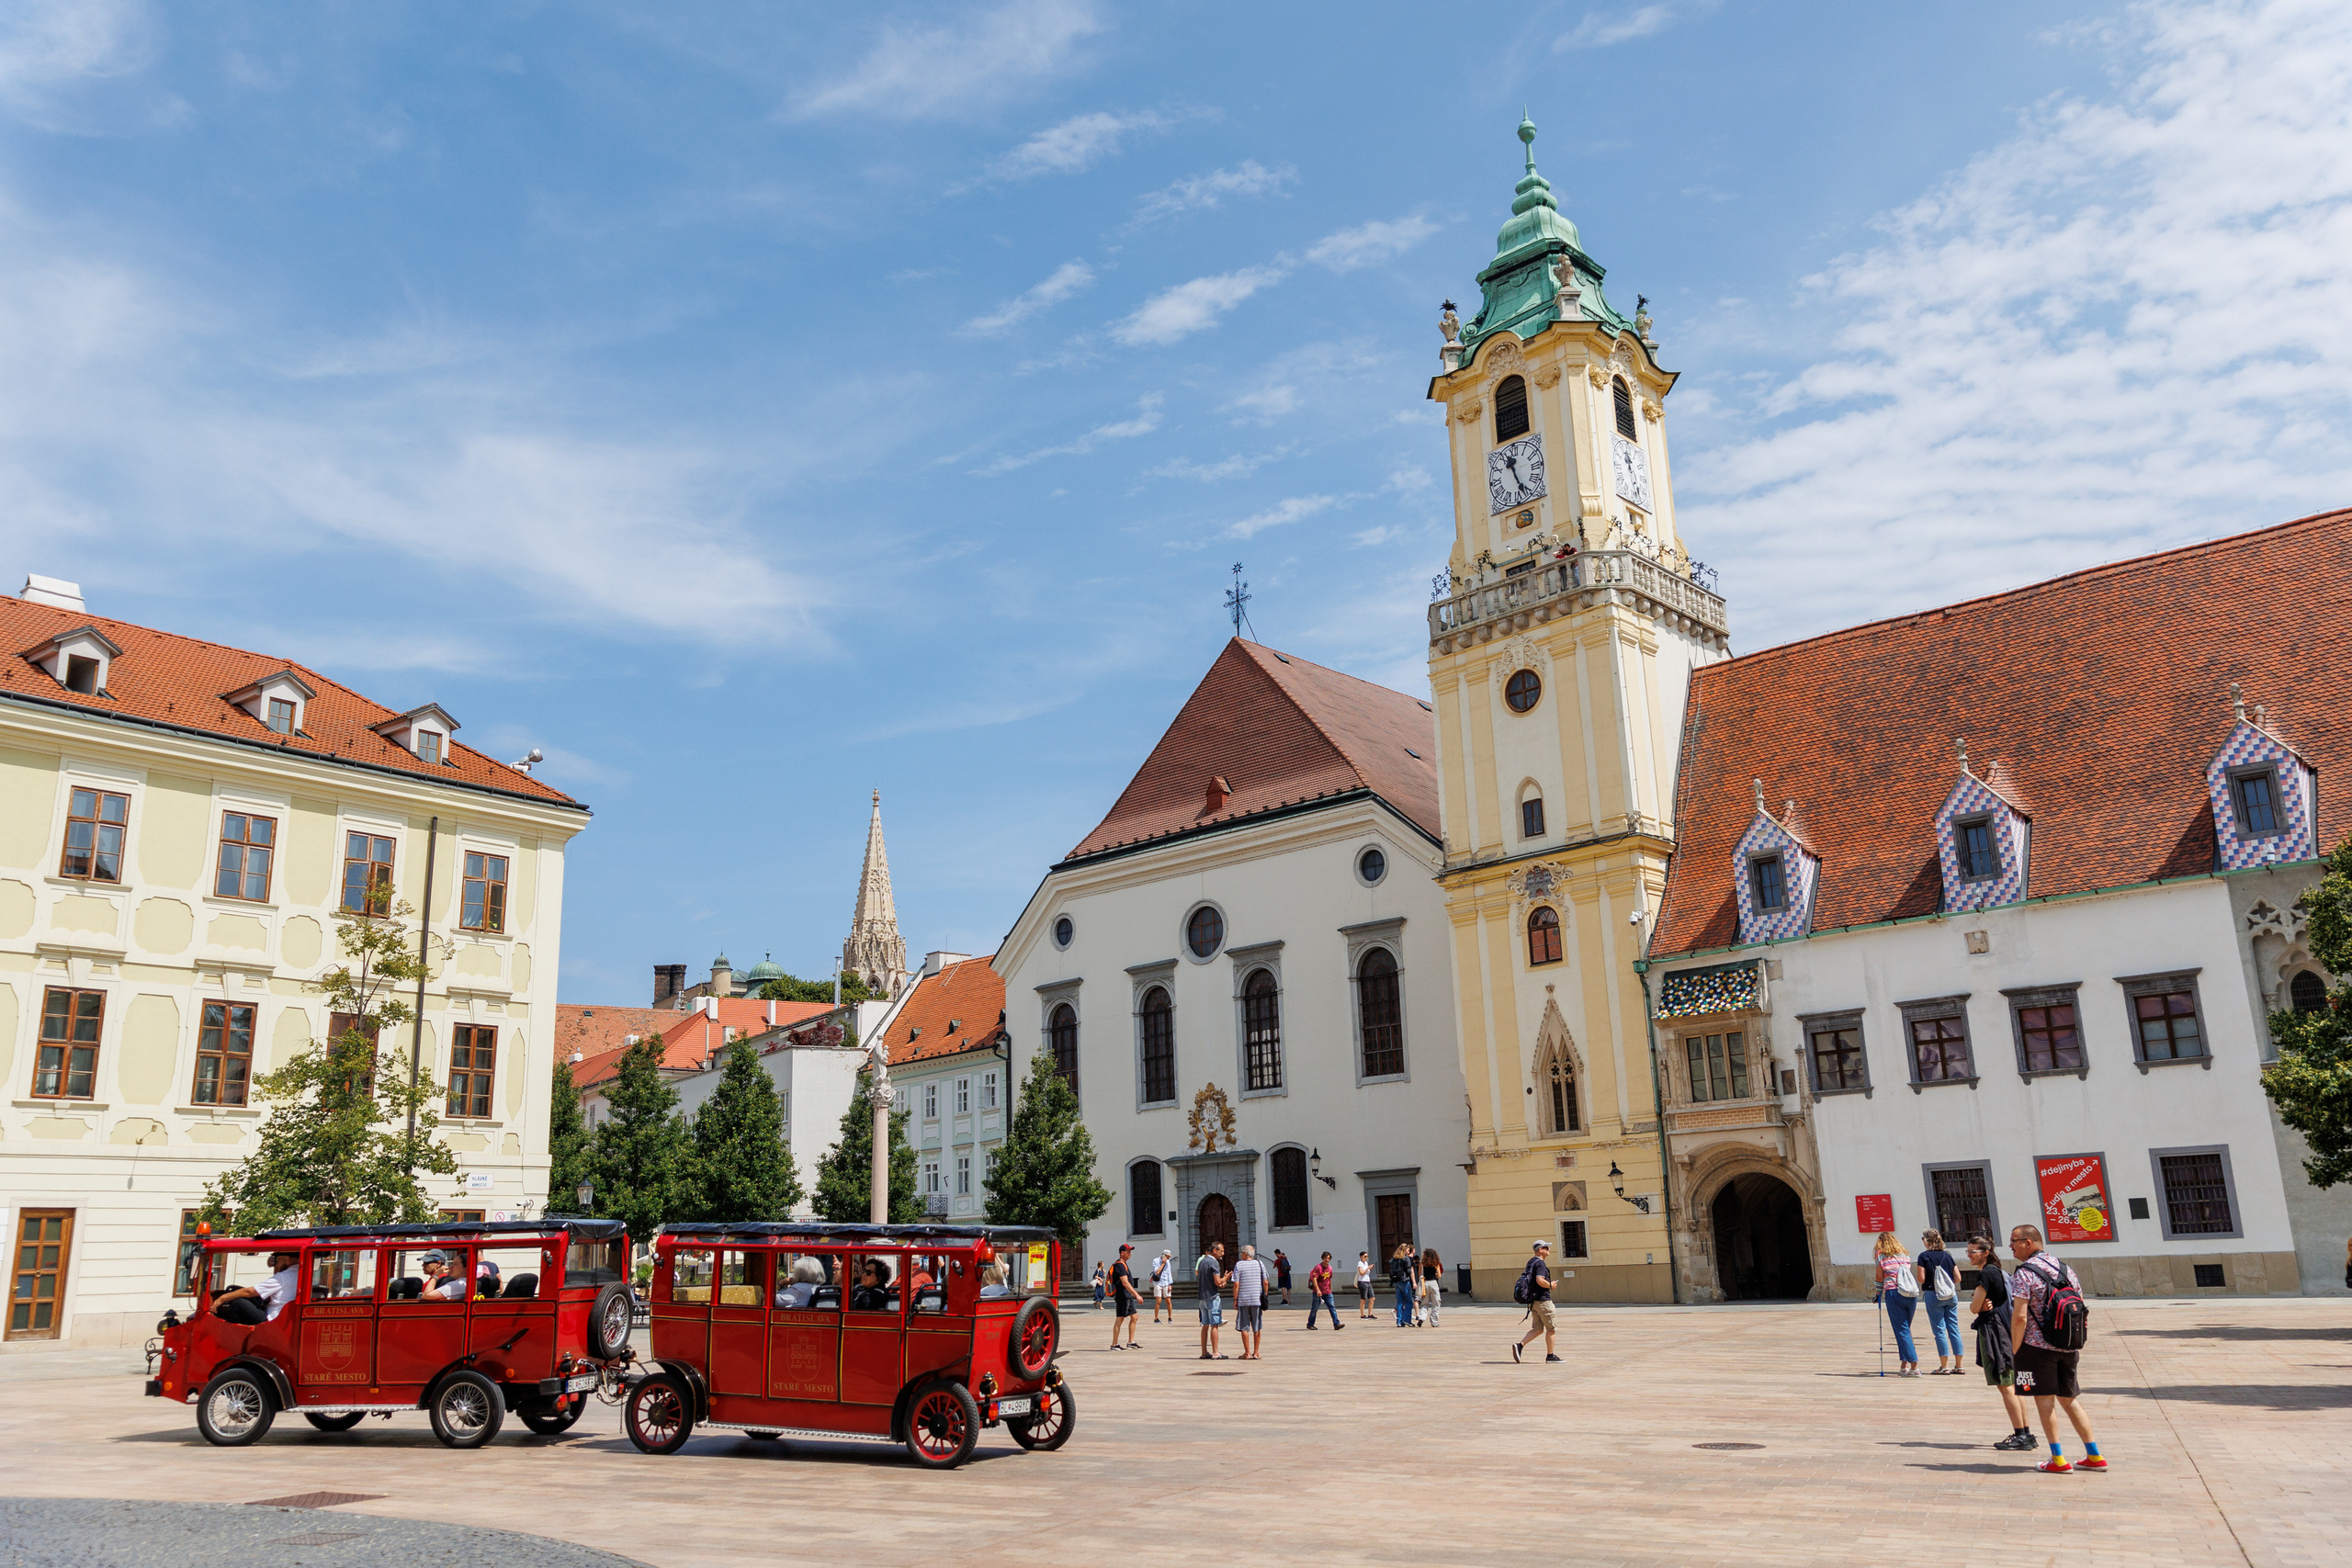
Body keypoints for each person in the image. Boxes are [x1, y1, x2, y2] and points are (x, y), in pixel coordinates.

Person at [2008, 1224, 2105, 1473]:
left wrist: (2014, 1349)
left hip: (2036, 1348)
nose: (2010, 1246)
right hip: (2068, 1345)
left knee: (2044, 1402)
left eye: (2014, 1241)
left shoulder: (2024, 1273)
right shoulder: (2065, 1269)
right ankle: (2094, 1455)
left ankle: (2058, 1460)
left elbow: (2020, 1317)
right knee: (2069, 1399)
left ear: (2028, 1243)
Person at [1964, 1234, 2032, 1450]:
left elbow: (1974, 1307)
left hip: (1994, 1331)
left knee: (2005, 1385)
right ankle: (2026, 1434)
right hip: (2005, 1328)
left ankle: (2020, 1435)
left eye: (1973, 1252)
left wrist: (1977, 1305)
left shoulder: (1986, 1274)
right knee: (2012, 1384)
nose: (1969, 1255)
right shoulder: (1997, 1271)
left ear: (1985, 1253)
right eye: (1968, 1251)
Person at [1917, 1229, 1963, 1373]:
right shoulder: (1947, 1255)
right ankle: (1959, 1365)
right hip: (1950, 1295)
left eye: (1923, 1238)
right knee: (1954, 1328)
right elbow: (1958, 1278)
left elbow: (1921, 1279)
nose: (1922, 1241)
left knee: (1939, 1330)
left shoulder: (1923, 1256)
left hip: (1933, 1295)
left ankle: (1944, 1366)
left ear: (1927, 1240)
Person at [209, 1250, 299, 1325]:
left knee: (238, 1303)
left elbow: (249, 1292)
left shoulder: (284, 1276)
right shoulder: (299, 1273)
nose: (275, 1264)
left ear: (287, 1260)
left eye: (277, 1260)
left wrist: (222, 1298)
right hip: (285, 1320)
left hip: (272, 1321)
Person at [1873, 1231, 1920, 1376]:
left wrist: (1878, 1293)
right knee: (1905, 1329)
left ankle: (1915, 1367)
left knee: (1901, 1330)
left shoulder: (1881, 1257)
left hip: (1893, 1294)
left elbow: (1879, 1278)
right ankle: (1904, 1365)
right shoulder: (1905, 1255)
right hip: (1910, 1294)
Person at [1511, 1239, 1560, 1362]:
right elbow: (1540, 1280)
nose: (1549, 1250)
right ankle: (1550, 1356)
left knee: (1538, 1329)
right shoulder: (1540, 1264)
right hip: (1543, 1301)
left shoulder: (1531, 1262)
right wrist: (1551, 1285)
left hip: (1533, 1302)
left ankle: (1519, 1346)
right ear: (1540, 1250)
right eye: (1546, 1248)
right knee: (1551, 1329)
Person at [1231, 1244, 1271, 1359]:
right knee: (1257, 1326)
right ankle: (1256, 1353)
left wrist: (1235, 1299)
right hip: (1257, 1299)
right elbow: (1266, 1282)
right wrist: (1265, 1295)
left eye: (1241, 1252)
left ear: (1245, 1253)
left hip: (1243, 1300)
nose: (1240, 1254)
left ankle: (1247, 1353)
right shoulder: (1260, 1264)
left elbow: (1236, 1284)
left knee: (1244, 1327)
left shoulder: (1239, 1265)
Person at [1196, 1241, 1231, 1359]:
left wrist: (1220, 1283)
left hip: (1202, 1297)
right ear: (1215, 1250)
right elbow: (1217, 1281)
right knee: (1214, 1325)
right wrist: (1225, 1278)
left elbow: (1209, 1280)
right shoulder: (1214, 1262)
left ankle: (1204, 1352)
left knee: (1205, 1325)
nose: (1223, 1254)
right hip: (1212, 1297)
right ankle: (1216, 1352)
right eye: (1221, 1251)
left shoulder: (1202, 1261)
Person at [1109, 1243, 1143, 1348]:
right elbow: (1125, 1282)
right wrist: (1137, 1295)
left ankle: (1131, 1342)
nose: (1130, 1253)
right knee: (1120, 1318)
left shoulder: (1124, 1264)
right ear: (1122, 1253)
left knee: (1134, 1317)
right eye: (1128, 1251)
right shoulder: (1119, 1265)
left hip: (1127, 1296)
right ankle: (1114, 1344)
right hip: (1122, 1296)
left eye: (1130, 1252)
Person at [1305, 1252, 1343, 1330]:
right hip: (1318, 1292)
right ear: (1322, 1258)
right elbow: (1314, 1279)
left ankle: (1336, 1324)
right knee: (1315, 1309)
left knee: (1332, 1307)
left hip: (1327, 1292)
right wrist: (1318, 1290)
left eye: (1328, 1258)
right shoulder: (1318, 1267)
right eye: (1325, 1258)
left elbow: (1329, 1279)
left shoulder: (1330, 1268)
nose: (1327, 1260)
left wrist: (1330, 1290)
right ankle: (1310, 1324)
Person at [1389, 1242, 1417, 1327]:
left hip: (1396, 1281)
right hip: (1404, 1281)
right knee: (1409, 1301)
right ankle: (1406, 1320)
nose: (1408, 1252)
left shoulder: (1394, 1259)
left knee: (1400, 1301)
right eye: (1407, 1250)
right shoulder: (1406, 1259)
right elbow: (1409, 1271)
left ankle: (1399, 1321)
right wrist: (1414, 1282)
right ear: (1404, 1250)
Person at [1419, 1248, 1443, 1328]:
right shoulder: (1436, 1264)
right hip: (1433, 1283)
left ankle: (1422, 1317)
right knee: (1436, 1303)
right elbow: (1439, 1276)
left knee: (1424, 1303)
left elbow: (1419, 1274)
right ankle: (1434, 1322)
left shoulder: (1422, 1264)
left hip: (1425, 1284)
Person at [1151, 1249, 1175, 1322]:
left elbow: (1169, 1273)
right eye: (1167, 1256)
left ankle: (1170, 1317)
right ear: (1163, 1255)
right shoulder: (1155, 1261)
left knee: (1168, 1300)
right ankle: (1156, 1318)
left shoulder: (1168, 1262)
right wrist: (1163, 1264)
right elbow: (1157, 1272)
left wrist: (1170, 1284)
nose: (1168, 1258)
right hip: (1158, 1282)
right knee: (1158, 1300)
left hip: (1166, 1282)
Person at [1355, 1253, 1376, 1318]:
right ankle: (1362, 1315)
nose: (1366, 1257)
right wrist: (1367, 1268)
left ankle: (1370, 1314)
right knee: (1363, 1299)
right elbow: (1361, 1273)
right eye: (1365, 1256)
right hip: (1362, 1282)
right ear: (1361, 1257)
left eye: (1367, 1256)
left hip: (1368, 1282)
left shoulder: (1366, 1263)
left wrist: (1369, 1268)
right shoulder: (1360, 1263)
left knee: (1372, 1298)